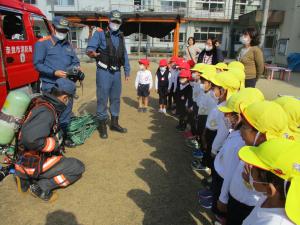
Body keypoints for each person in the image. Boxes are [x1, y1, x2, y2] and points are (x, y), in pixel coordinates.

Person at [217, 100, 289, 225]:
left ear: (261, 135)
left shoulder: (271, 162)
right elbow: (231, 172)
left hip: (247, 206)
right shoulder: (248, 146)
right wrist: (224, 197)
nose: (240, 131)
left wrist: (250, 182)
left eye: (244, 126)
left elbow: (270, 192)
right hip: (235, 200)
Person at [14, 78, 85, 202]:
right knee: (77, 167)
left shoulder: (41, 102)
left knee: (60, 158)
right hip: (32, 163)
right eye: (69, 99)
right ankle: (40, 187)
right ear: (64, 97)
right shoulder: (46, 112)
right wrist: (55, 142)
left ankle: (23, 178)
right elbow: (31, 140)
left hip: (23, 160)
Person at [33, 16, 80, 148]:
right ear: (53, 28)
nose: (62, 33)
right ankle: (48, 141)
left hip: (67, 87)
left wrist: (76, 68)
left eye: (65, 31)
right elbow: (37, 64)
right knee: (50, 114)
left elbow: (75, 61)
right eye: (60, 29)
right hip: (51, 86)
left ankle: (63, 138)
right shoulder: (43, 43)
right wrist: (54, 72)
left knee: (66, 113)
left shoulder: (68, 45)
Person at [86, 10, 130, 139]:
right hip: (104, 72)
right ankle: (102, 125)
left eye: (118, 22)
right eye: (113, 21)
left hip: (116, 72)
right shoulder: (100, 34)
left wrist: (126, 70)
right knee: (102, 98)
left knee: (116, 98)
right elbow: (90, 48)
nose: (115, 24)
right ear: (108, 21)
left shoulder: (121, 36)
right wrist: (91, 53)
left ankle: (114, 123)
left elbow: (124, 54)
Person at [239, 139, 299, 225]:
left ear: (270, 189)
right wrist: (250, 182)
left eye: (253, 170)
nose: (250, 169)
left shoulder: (275, 222)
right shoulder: (272, 197)